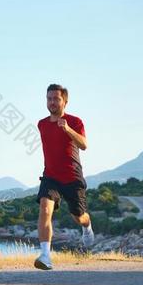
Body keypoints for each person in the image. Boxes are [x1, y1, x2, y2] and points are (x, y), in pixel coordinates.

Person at [34, 84, 94, 270]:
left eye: (56, 99)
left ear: (64, 101)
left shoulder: (75, 121)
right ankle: (45, 256)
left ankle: (87, 226)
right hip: (50, 176)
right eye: (49, 98)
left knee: (78, 216)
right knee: (45, 208)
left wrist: (67, 129)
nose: (52, 102)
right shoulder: (42, 124)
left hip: (72, 177)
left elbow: (84, 145)